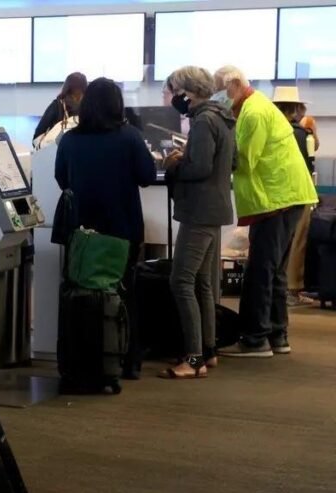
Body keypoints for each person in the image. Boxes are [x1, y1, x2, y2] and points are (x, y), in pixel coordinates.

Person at [212, 66, 318, 358]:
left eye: (219, 89)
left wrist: (212, 155)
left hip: (275, 199)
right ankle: (276, 334)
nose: (217, 96)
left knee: (260, 269)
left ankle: (254, 338)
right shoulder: (256, 107)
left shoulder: (253, 113)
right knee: (274, 271)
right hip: (285, 196)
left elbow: (244, 160)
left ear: (233, 85)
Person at [55, 77, 156, 378]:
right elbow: (147, 175)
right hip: (122, 229)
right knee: (124, 292)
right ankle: (127, 360)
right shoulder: (130, 137)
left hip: (82, 231)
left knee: (83, 289)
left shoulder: (70, 139)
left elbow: (62, 179)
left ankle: (85, 356)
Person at [159, 66, 236, 379]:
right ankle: (207, 349)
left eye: (176, 91)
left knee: (182, 281)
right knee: (204, 282)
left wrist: (176, 163)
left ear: (187, 92)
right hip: (216, 208)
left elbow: (199, 168)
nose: (175, 97)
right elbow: (233, 161)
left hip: (199, 210)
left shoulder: (203, 121)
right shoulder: (223, 116)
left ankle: (192, 358)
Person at [271, 87, 317, 307]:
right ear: (296, 108)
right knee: (297, 241)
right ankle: (292, 289)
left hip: (276, 194)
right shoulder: (300, 134)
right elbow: (310, 158)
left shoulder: (273, 130)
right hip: (299, 193)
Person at [34, 72, 88, 144]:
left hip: (58, 152)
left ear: (67, 87)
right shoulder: (90, 107)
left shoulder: (57, 105)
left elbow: (37, 136)